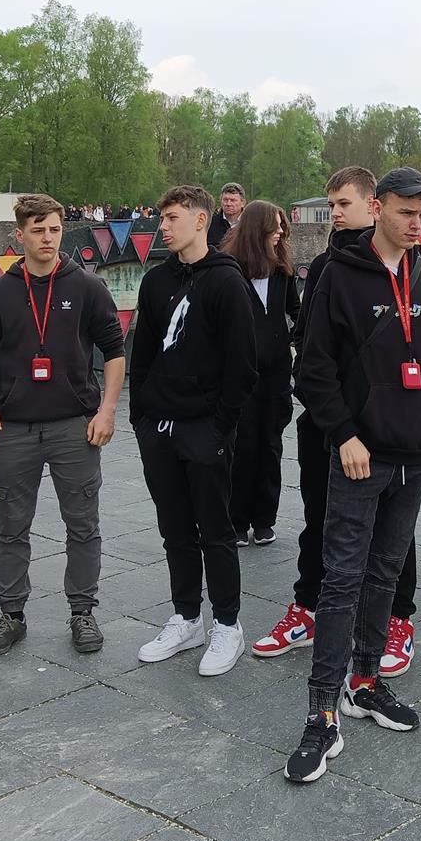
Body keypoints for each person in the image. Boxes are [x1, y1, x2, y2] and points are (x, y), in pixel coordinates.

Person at [284, 167, 421, 784]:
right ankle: (322, 711)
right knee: (341, 579)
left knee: (386, 572)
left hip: (416, 456)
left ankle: (365, 681)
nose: (417, 224)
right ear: (379, 208)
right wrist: (344, 434)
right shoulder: (338, 274)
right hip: (360, 453)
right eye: (407, 212)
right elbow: (312, 368)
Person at [254, 168, 421, 676]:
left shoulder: (416, 265)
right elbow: (309, 341)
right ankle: (309, 606)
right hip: (329, 422)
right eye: (330, 205)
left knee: (393, 531)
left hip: (388, 426)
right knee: (319, 517)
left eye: (343, 204)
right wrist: (323, 406)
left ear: (373, 205)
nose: (335, 214)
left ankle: (396, 618)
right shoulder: (328, 263)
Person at [0, 195, 125, 658]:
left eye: (54, 229)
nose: (47, 238)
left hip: (74, 426)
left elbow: (114, 351)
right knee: (11, 527)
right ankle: (11, 614)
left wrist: (108, 409)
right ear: (19, 235)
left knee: (83, 524)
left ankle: (83, 611)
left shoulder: (88, 286)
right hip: (12, 427)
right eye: (37, 230)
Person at [131, 186, 257, 676]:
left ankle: (227, 624)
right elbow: (142, 353)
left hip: (205, 428)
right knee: (174, 528)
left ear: (201, 220)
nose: (163, 226)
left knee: (215, 528)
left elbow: (243, 365)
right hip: (158, 427)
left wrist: (219, 425)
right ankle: (187, 618)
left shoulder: (227, 280)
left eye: (172, 218)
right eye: (162, 218)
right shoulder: (155, 280)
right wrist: (142, 418)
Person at [220, 201, 299, 546]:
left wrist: (295, 339)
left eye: (282, 226)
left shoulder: (283, 270)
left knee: (271, 446)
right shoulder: (230, 270)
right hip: (241, 374)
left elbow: (296, 310)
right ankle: (236, 520)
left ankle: (265, 519)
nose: (280, 232)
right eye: (275, 226)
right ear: (258, 229)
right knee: (242, 446)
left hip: (277, 374)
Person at [207, 181, 246, 248]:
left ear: (243, 203)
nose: (228, 204)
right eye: (225, 200)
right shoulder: (210, 223)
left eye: (233, 200)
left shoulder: (249, 224)